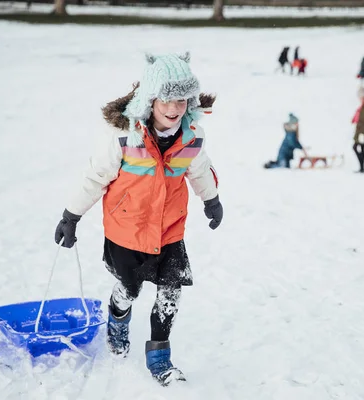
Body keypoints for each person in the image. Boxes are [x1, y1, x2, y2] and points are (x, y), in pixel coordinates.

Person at [54, 52, 223, 386]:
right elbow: (94, 178)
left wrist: (212, 199)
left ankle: (160, 358)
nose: (173, 109)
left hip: (169, 229)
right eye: (165, 100)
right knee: (130, 290)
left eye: (180, 99)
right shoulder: (123, 137)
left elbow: (200, 170)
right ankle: (117, 319)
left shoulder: (191, 136)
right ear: (150, 99)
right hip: (127, 230)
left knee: (170, 292)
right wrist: (70, 216)